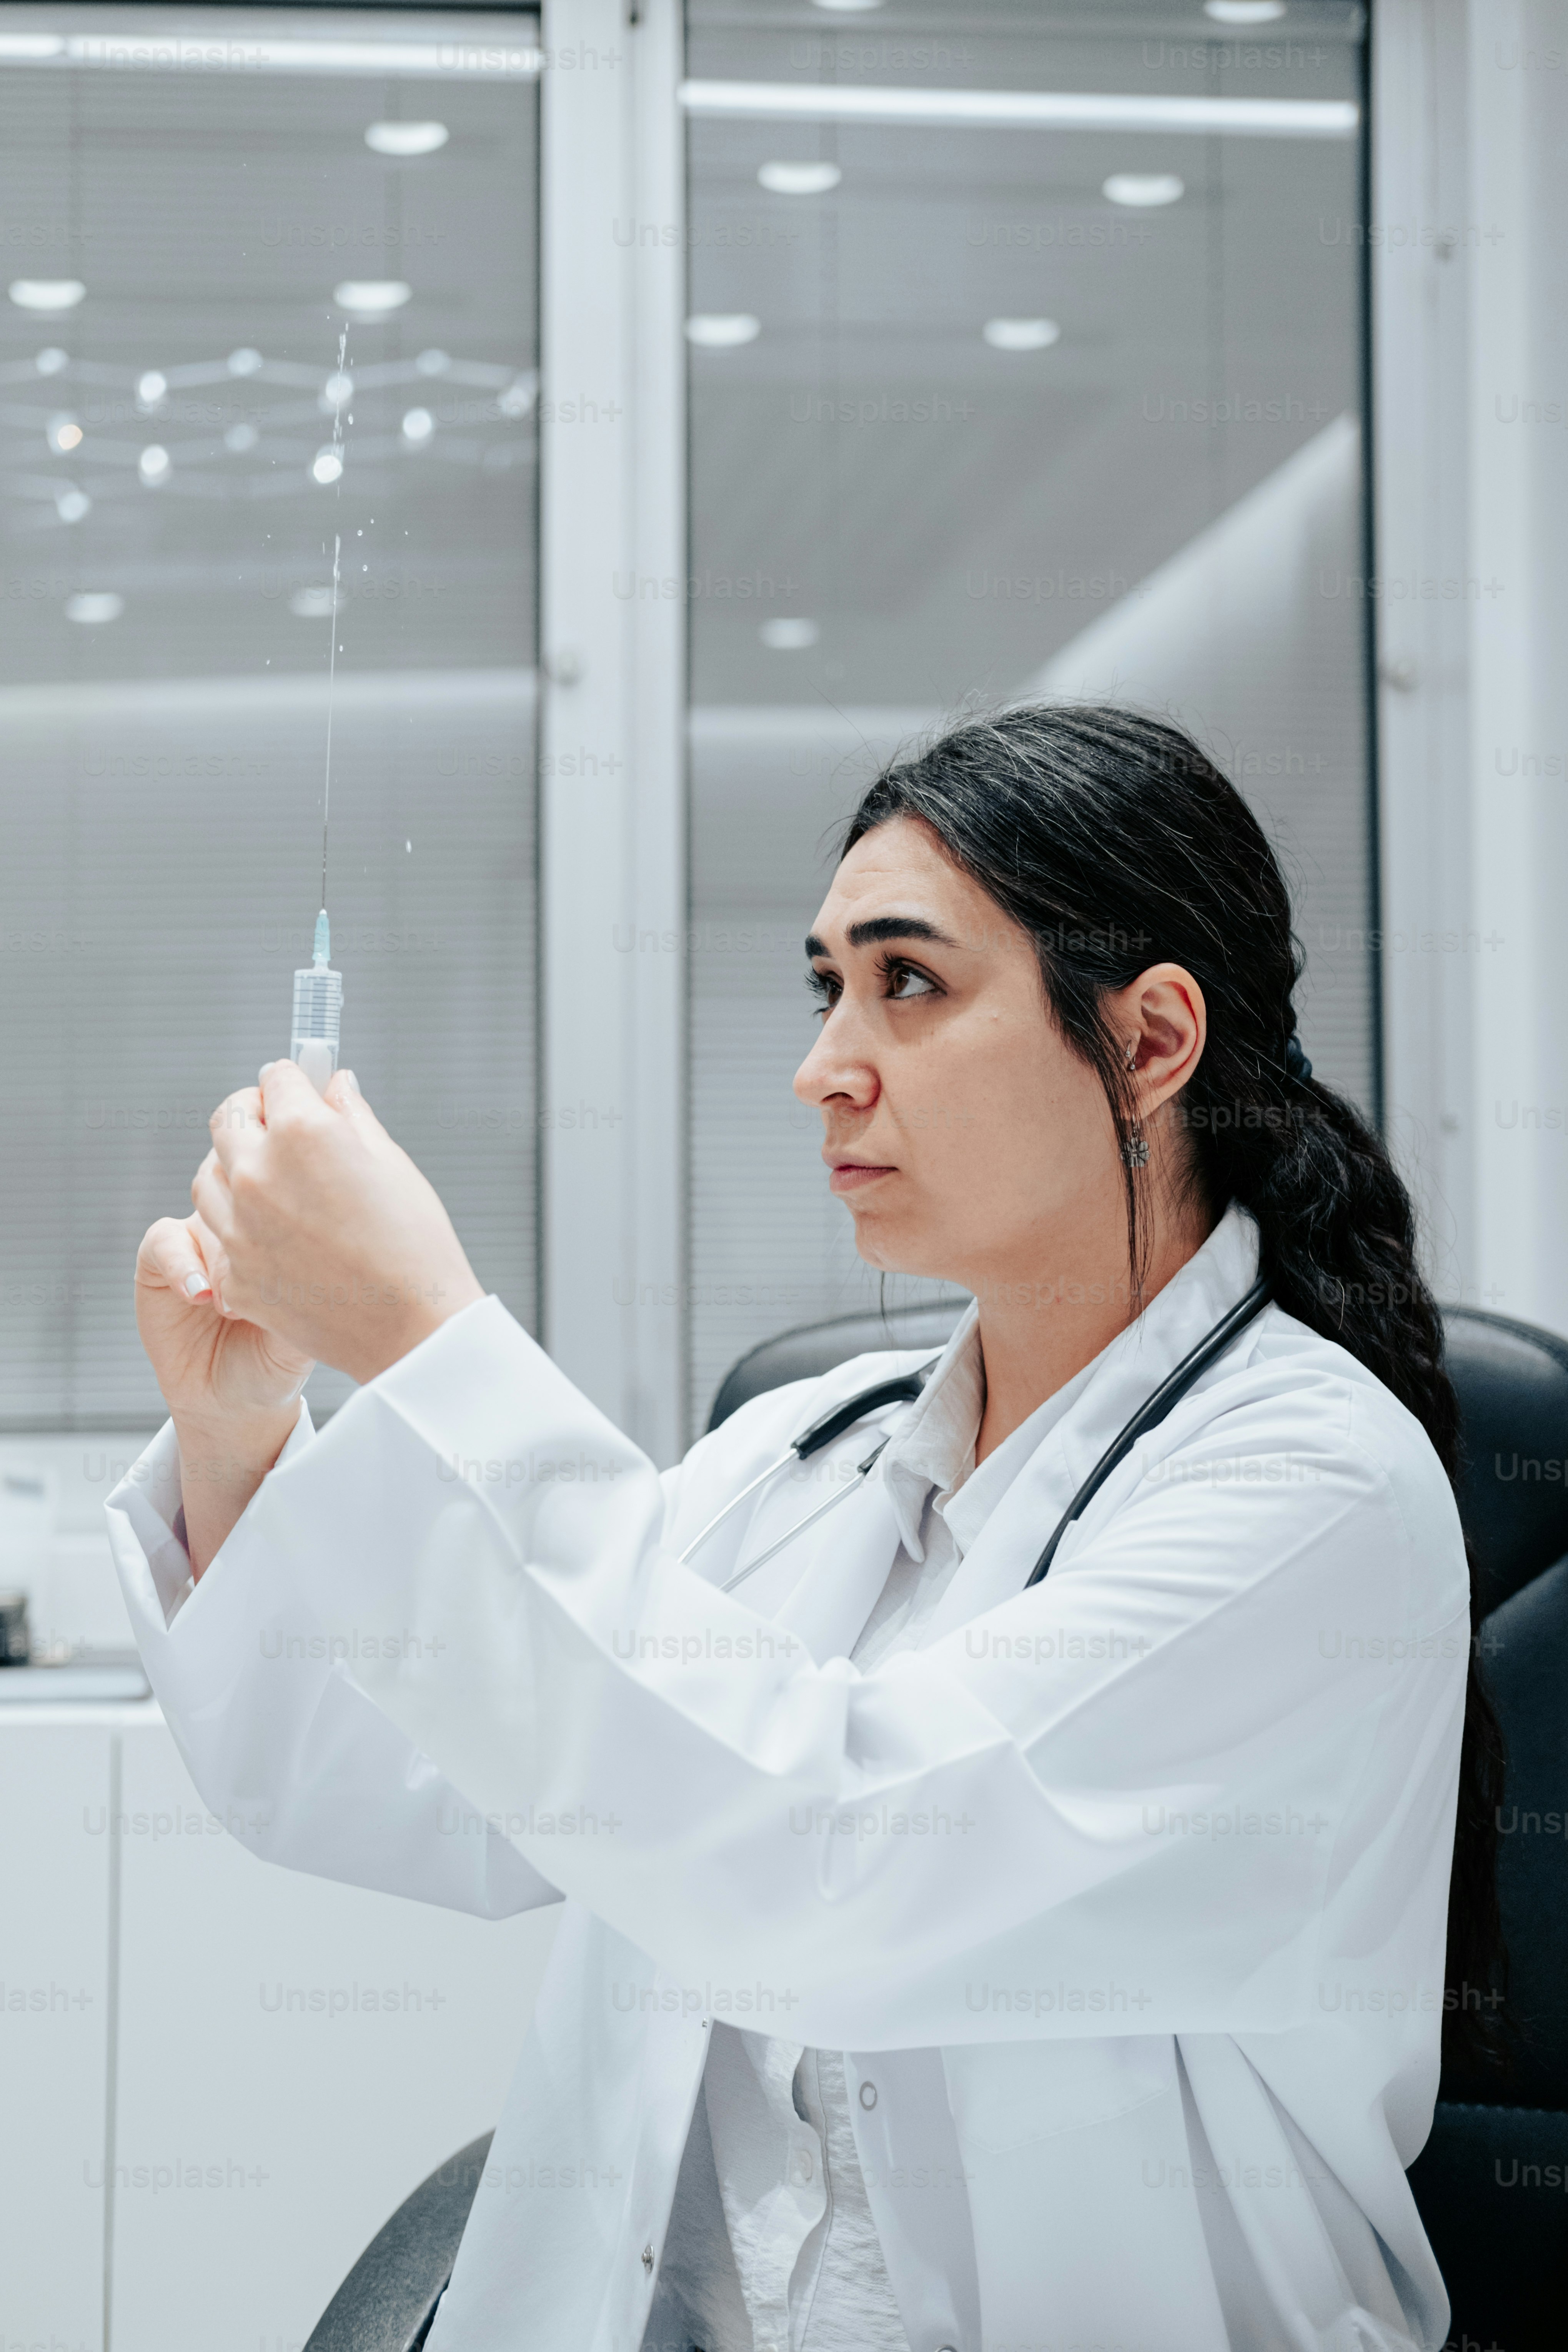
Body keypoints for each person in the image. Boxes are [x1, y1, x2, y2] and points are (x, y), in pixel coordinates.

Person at [108, 705, 1501, 2352]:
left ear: (1149, 1043)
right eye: (827, 984)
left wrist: (431, 1339)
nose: (825, 1062)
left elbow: (832, 1867)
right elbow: (407, 1782)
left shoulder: (1311, 1491)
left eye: (908, 982)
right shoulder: (810, 1451)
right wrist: (239, 1427)